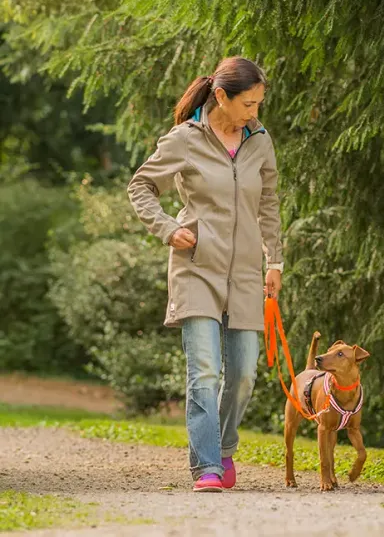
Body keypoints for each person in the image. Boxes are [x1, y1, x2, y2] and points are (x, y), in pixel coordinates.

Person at [127, 56, 283, 492]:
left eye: (258, 104)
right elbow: (141, 185)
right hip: (197, 269)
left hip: (248, 273)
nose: (255, 113)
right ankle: (209, 467)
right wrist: (168, 228)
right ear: (221, 97)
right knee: (205, 370)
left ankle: (223, 446)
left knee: (245, 373)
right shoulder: (185, 139)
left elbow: (268, 205)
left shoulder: (260, 141)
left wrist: (275, 261)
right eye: (248, 104)